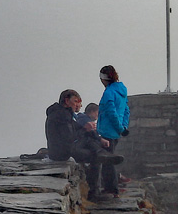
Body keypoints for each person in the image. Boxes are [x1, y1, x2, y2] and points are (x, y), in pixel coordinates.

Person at [44, 89, 119, 166]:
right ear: (67, 101)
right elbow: (69, 138)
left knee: (91, 142)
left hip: (59, 152)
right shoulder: (61, 115)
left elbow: (78, 128)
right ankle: (102, 155)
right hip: (61, 154)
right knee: (93, 154)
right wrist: (85, 130)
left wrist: (99, 139)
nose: (78, 105)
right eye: (75, 101)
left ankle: (101, 153)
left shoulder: (62, 113)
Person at [92, 65, 131, 200]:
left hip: (107, 131)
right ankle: (111, 188)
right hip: (116, 131)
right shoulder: (122, 90)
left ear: (103, 79)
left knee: (107, 161)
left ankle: (111, 189)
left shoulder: (109, 92)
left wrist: (120, 128)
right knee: (109, 159)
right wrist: (123, 127)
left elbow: (111, 112)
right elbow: (126, 110)